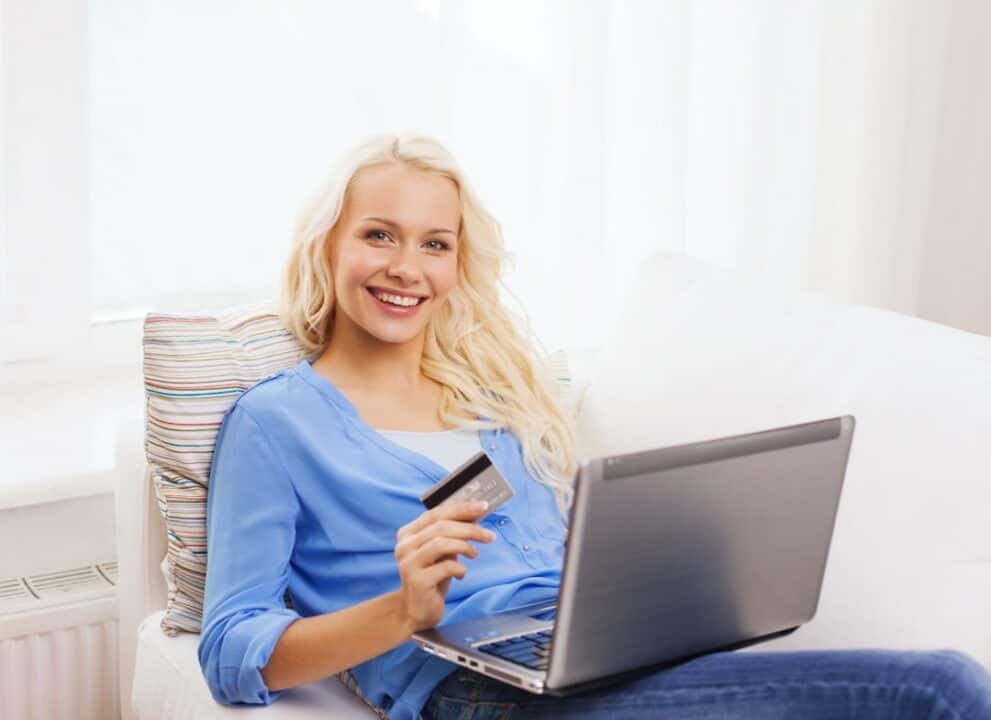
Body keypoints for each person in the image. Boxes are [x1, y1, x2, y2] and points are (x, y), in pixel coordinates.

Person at [197, 133, 991, 719]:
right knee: (938, 690)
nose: (408, 267)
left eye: (434, 244)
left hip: (603, 657)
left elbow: (558, 570)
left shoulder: (495, 400)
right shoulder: (277, 422)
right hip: (475, 689)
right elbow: (231, 649)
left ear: (455, 267)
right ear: (327, 244)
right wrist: (404, 610)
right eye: (379, 235)